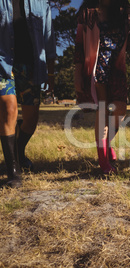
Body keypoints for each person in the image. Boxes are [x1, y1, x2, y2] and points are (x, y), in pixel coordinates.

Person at [74, 0, 130, 174]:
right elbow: (79, 46)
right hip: (97, 66)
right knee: (103, 109)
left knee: (120, 110)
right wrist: (77, 74)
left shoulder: (122, 12)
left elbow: (128, 46)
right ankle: (103, 162)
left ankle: (106, 142)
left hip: (117, 67)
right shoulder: (87, 13)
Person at [0, 0, 56, 187]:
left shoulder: (42, 4)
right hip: (3, 64)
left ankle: (18, 151)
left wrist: (50, 73)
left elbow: (49, 38)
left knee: (31, 119)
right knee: (9, 109)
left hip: (32, 66)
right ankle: (13, 172)